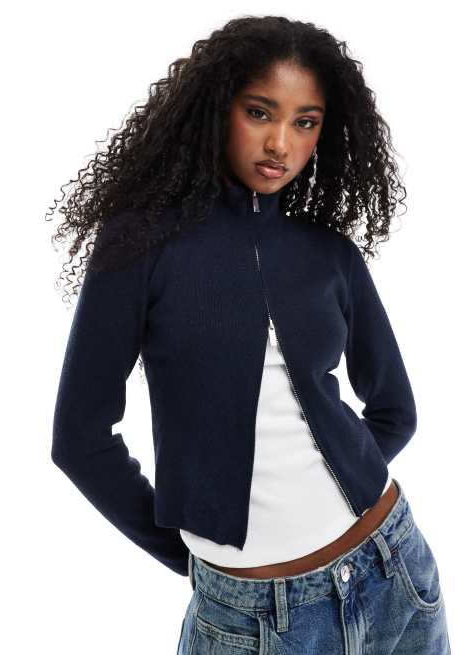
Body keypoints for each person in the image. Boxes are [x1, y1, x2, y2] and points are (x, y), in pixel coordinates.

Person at [48, 15, 451, 654]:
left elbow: (395, 410)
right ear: (217, 107)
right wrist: (198, 556)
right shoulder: (139, 245)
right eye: (260, 112)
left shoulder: (330, 254)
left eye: (305, 122)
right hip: (248, 616)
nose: (280, 144)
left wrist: (339, 481)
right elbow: (79, 439)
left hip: (392, 571)